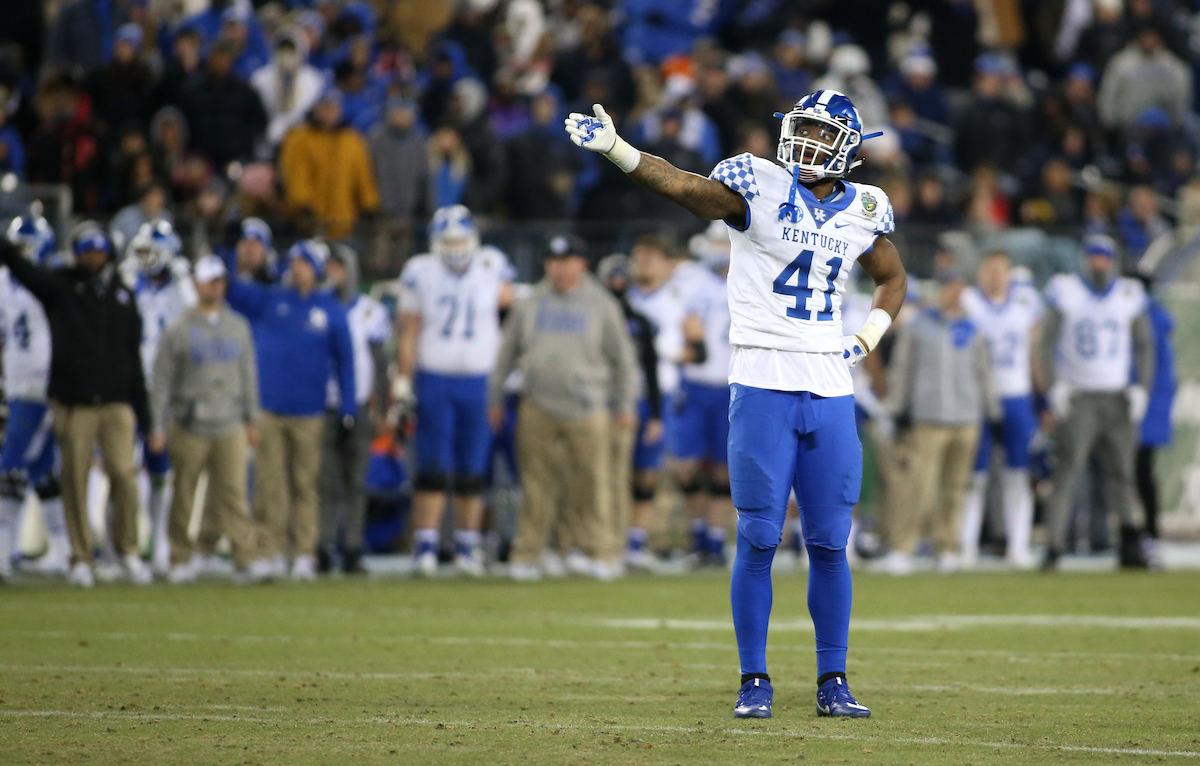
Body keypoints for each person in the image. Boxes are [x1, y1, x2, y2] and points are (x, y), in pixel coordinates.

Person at [565, 90, 907, 718]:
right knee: (757, 536)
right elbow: (685, 186)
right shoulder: (760, 185)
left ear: (848, 148)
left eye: (818, 133)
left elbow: (892, 275)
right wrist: (618, 150)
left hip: (831, 386)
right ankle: (755, 679)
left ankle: (834, 679)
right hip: (761, 379)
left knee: (831, 541)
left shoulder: (865, 207)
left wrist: (866, 337)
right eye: (798, 128)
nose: (803, 142)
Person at [0, 222, 151, 588]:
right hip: (75, 402)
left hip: (116, 402)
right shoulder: (62, 286)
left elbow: (132, 360)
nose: (94, 258)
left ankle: (126, 550)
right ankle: (79, 557)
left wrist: (146, 416)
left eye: (99, 251)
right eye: (87, 251)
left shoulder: (123, 296)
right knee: (73, 479)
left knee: (123, 475)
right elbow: (24, 270)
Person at [489, 234, 639, 581]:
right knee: (536, 484)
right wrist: (495, 398)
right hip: (537, 404)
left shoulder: (601, 303)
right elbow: (506, 354)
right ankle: (531, 552)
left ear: (581, 265)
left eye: (566, 260)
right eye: (553, 261)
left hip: (589, 406)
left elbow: (623, 360)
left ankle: (600, 551)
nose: (558, 268)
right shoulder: (530, 302)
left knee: (592, 483)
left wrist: (624, 403)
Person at [223, 239, 356, 581]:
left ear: (317, 269)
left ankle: (304, 553)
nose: (297, 268)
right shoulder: (271, 299)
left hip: (309, 411)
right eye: (294, 262)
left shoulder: (330, 308)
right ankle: (268, 549)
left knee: (305, 485)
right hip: (269, 408)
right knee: (268, 485)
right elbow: (232, 291)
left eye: (304, 263)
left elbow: (346, 362)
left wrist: (348, 406)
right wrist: (230, 249)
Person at [394, 206, 513, 577]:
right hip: (435, 378)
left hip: (479, 381)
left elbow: (512, 320)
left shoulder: (493, 266)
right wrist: (402, 382)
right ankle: (425, 545)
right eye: (448, 241)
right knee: (431, 467)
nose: (455, 247)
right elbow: (408, 331)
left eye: (460, 239)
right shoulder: (420, 272)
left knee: (472, 469)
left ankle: (467, 546)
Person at [148, 255, 274, 585]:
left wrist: (251, 419)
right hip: (190, 422)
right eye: (210, 280)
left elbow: (248, 375)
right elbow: (162, 378)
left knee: (233, 495)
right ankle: (179, 558)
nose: (216, 286)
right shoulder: (179, 327)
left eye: (220, 280)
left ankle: (244, 558)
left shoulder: (238, 326)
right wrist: (158, 424)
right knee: (185, 493)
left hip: (229, 421)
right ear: (197, 284)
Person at [1036, 234, 1153, 570]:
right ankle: (1054, 546)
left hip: (1117, 396)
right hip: (1078, 395)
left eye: (1104, 257)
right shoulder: (1066, 292)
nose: (1099, 263)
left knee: (1123, 473)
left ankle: (1131, 542)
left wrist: (1141, 387)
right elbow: (1045, 343)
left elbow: (1145, 345)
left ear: (1113, 260)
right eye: (1094, 257)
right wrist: (1053, 387)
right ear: (1085, 259)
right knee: (1067, 473)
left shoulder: (1130, 294)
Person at [884, 271, 998, 575]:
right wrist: (898, 407)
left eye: (959, 287)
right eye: (949, 287)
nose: (954, 293)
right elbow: (902, 367)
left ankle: (947, 547)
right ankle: (902, 547)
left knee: (955, 488)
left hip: (966, 417)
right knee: (917, 487)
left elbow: (983, 371)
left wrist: (992, 410)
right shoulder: (919, 326)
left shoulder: (973, 328)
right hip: (927, 417)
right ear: (940, 290)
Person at [958, 252, 1042, 569]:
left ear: (1009, 274)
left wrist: (1041, 398)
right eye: (989, 270)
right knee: (973, 477)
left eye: (1000, 270)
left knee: (1018, 475)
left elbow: (1036, 351)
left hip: (1016, 395)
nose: (995, 276)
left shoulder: (1026, 303)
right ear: (980, 273)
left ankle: (1018, 546)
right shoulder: (968, 302)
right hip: (976, 398)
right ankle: (966, 547)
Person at [124, 221, 196, 576]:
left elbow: (196, 318)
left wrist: (183, 282)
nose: (145, 259)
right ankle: (122, 546)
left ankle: (162, 545)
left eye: (151, 251)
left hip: (169, 390)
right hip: (131, 386)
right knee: (124, 468)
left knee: (162, 469)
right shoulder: (131, 285)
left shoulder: (180, 289)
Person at [0, 216, 70, 579]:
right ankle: (62, 549)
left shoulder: (51, 280)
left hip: (40, 383)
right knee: (42, 470)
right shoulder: (3, 281)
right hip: (16, 383)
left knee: (9, 466)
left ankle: (2, 551)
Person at [319, 245, 390, 575]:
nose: (334, 273)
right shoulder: (316, 307)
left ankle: (351, 547)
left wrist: (383, 408)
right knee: (324, 482)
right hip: (321, 406)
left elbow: (380, 364)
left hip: (359, 405)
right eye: (329, 266)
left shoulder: (370, 311)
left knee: (356, 483)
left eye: (339, 266)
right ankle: (320, 546)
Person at [595, 253, 660, 576]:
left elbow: (650, 368)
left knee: (637, 476)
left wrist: (657, 414)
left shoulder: (640, 322)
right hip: (597, 403)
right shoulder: (591, 318)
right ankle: (600, 543)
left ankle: (629, 543)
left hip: (634, 402)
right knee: (602, 477)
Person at [623, 234, 685, 571]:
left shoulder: (677, 299)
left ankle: (637, 541)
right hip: (624, 392)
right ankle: (613, 540)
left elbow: (696, 347)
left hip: (660, 392)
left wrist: (668, 353)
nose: (644, 262)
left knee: (649, 473)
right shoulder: (621, 297)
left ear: (665, 263)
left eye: (651, 256)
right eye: (639, 255)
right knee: (617, 470)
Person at [675, 222, 734, 567]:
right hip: (696, 383)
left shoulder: (751, 275)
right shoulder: (691, 280)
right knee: (686, 466)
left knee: (724, 471)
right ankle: (697, 535)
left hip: (732, 385)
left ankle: (713, 541)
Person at [279, 88, 380, 240]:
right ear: (315, 109)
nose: (329, 113)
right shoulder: (300, 138)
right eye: (324, 107)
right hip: (310, 222)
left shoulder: (351, 140)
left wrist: (369, 203)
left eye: (333, 107)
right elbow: (296, 173)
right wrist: (301, 203)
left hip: (344, 220)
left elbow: (363, 175)